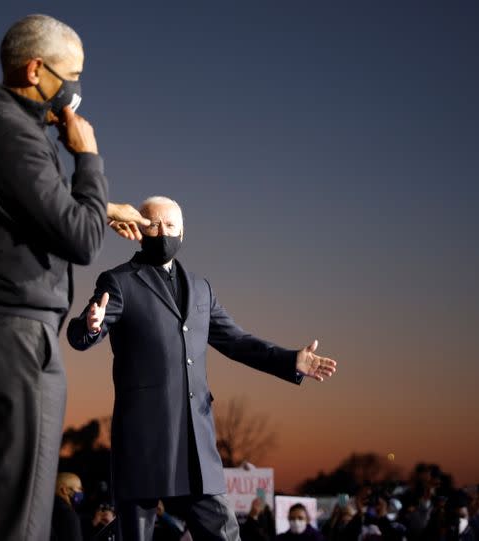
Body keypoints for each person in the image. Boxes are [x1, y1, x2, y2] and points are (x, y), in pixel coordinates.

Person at [0, 13, 147, 541]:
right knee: (22, 521)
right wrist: (88, 159)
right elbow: (80, 238)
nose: (76, 89)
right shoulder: (12, 134)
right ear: (35, 71)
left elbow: (25, 209)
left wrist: (103, 205)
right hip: (15, 338)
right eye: (71, 74)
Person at [67, 196, 337, 540]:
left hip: (196, 440)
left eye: (170, 226)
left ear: (182, 232)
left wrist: (290, 360)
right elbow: (80, 335)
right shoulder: (120, 282)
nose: (162, 232)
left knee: (223, 533)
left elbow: (237, 341)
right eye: (154, 224)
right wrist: (92, 325)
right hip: (144, 440)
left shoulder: (201, 288)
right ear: (137, 227)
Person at [51, 473, 84, 541]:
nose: (81, 492)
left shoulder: (50, 508)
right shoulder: (69, 515)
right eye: (79, 488)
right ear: (65, 490)